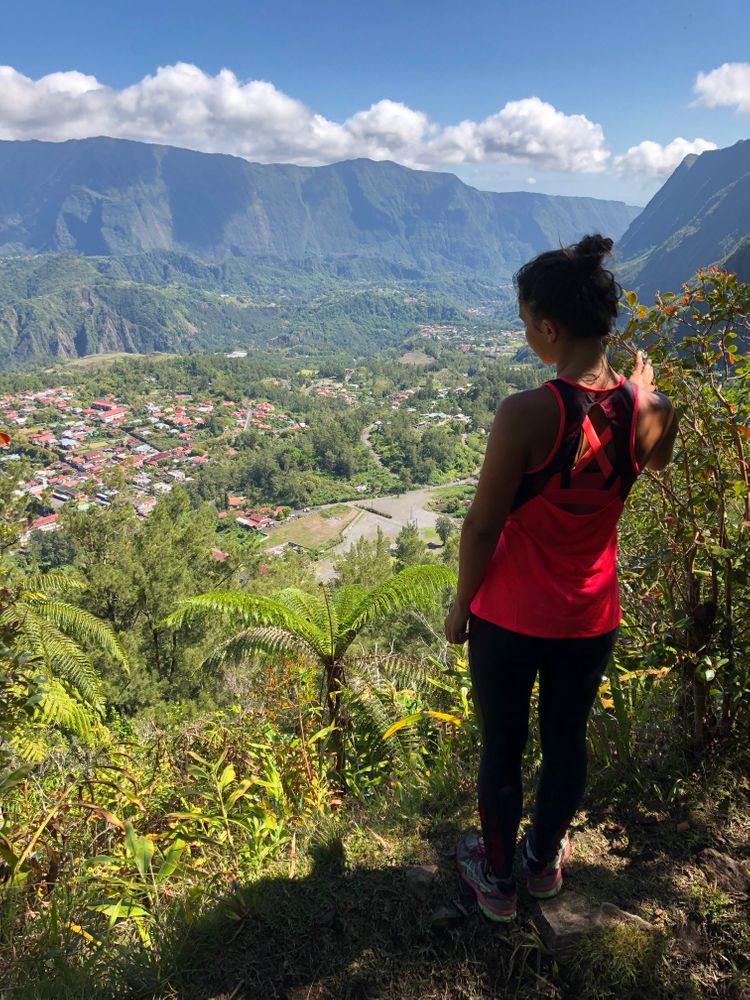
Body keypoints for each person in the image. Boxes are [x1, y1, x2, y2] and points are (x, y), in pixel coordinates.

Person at [444, 234, 678, 923]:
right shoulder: (652, 411)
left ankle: (496, 880)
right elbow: (657, 461)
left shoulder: (525, 413)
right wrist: (647, 391)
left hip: (509, 616)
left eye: (526, 323)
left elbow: (480, 528)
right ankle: (542, 864)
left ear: (549, 330)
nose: (526, 336)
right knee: (566, 741)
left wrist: (460, 606)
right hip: (589, 616)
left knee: (503, 747)